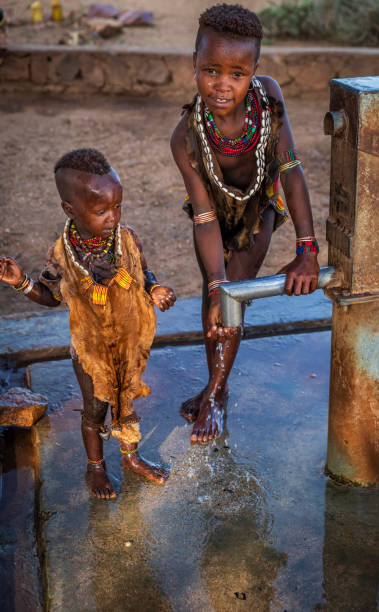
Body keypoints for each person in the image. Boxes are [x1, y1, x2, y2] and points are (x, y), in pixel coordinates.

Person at [171, 4, 320, 443]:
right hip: (212, 215)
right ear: (194, 64)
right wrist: (216, 285)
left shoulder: (268, 98)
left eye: (237, 74)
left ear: (254, 70)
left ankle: (217, 393)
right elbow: (203, 216)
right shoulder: (186, 136)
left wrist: (306, 250)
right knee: (213, 293)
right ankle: (214, 384)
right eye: (211, 70)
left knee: (237, 287)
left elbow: (290, 169)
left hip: (260, 205)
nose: (223, 84)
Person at [0, 148, 176, 499]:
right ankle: (95, 467)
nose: (113, 217)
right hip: (89, 350)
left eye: (117, 206)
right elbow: (51, 296)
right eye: (101, 211)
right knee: (95, 409)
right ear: (70, 209)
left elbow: (144, 274)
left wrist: (156, 289)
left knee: (125, 402)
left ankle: (131, 458)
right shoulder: (63, 254)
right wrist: (21, 283)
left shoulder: (127, 240)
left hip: (126, 342)